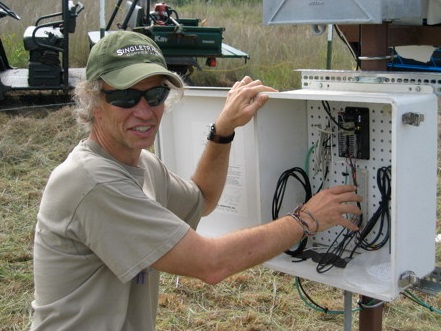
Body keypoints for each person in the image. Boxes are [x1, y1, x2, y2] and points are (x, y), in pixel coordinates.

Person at [31, 30, 362, 330]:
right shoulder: (92, 182)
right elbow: (211, 263)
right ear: (94, 102)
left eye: (156, 95)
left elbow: (202, 199)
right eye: (125, 98)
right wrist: (304, 220)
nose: (144, 112)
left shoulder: (143, 165)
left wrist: (223, 131)